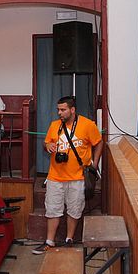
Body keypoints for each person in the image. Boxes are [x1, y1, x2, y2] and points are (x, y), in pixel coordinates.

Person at [33, 96, 102, 254]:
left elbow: (99, 143)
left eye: (63, 110)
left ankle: (69, 239)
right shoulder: (54, 125)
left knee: (74, 209)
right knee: (52, 209)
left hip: (78, 177)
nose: (59, 113)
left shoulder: (87, 125)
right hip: (55, 177)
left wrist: (94, 164)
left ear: (72, 110)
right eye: (58, 110)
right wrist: (47, 145)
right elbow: (46, 143)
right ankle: (49, 241)